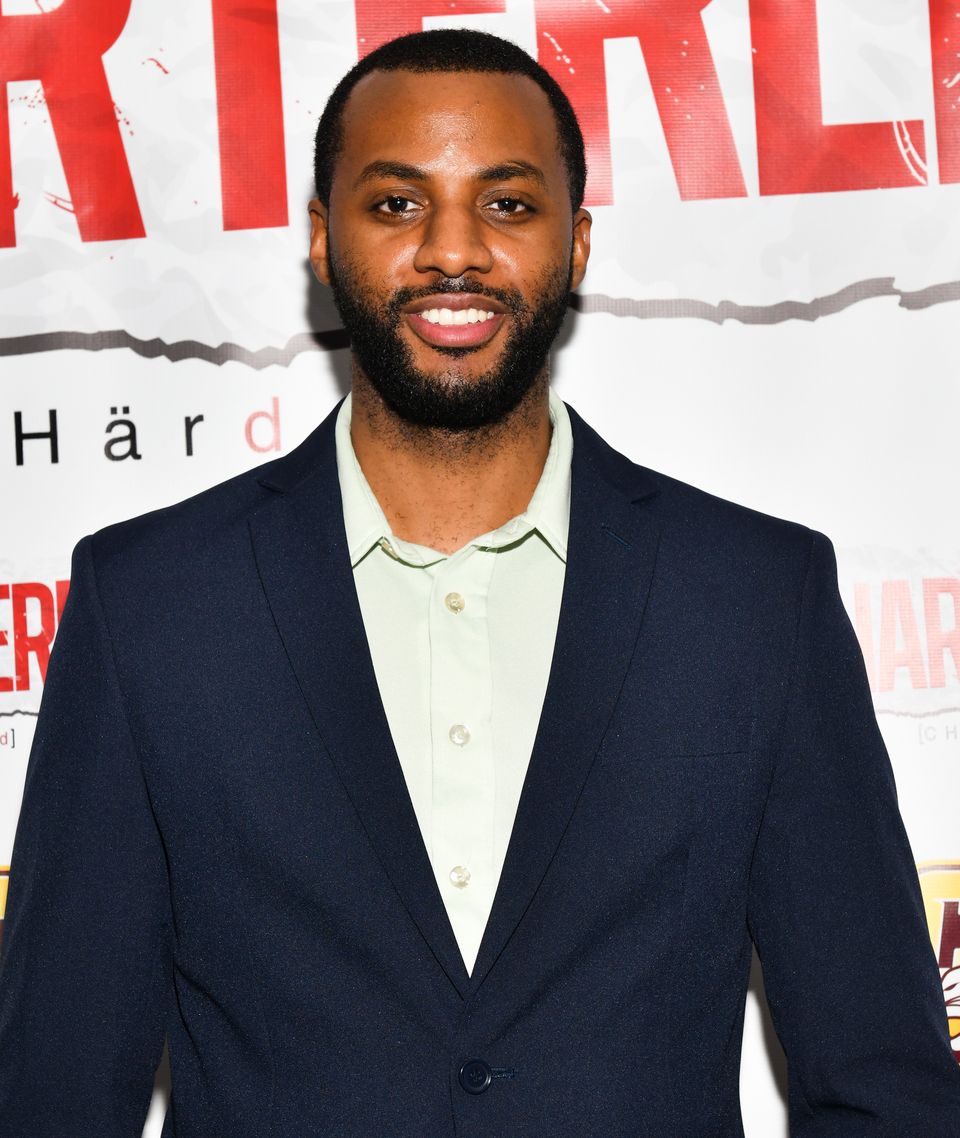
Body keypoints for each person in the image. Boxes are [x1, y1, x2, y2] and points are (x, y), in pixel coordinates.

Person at [1, 28, 958, 1138]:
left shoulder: (753, 598)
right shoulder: (150, 605)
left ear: (578, 243)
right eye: (397, 204)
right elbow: (54, 1096)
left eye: (506, 204)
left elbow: (885, 1089)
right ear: (321, 238)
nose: (451, 252)